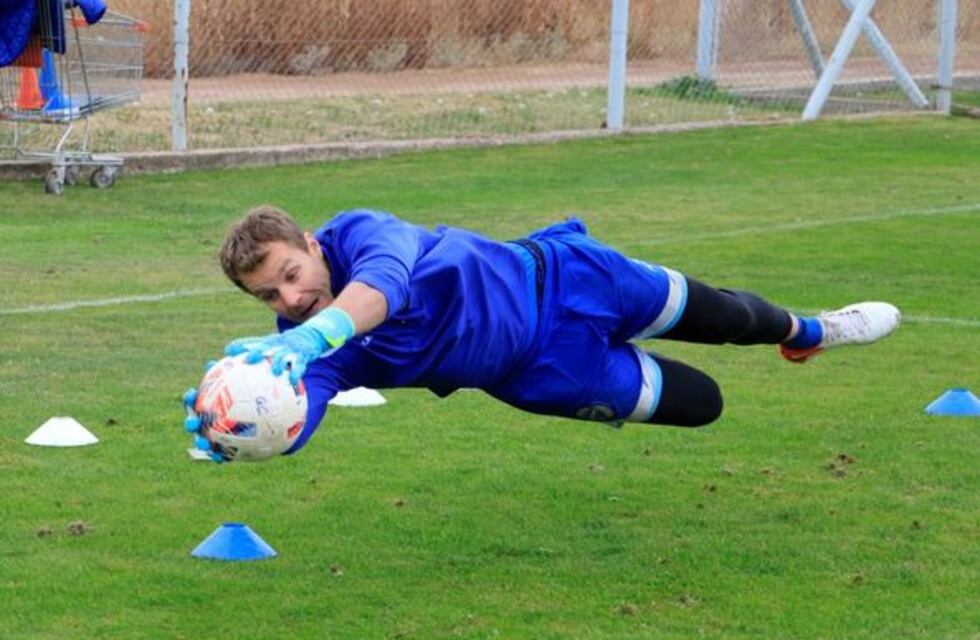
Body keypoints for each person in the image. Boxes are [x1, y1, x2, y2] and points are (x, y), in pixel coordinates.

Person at [184, 206, 900, 461]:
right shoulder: (301, 346)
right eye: (269, 294)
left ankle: (812, 329)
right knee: (703, 403)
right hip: (538, 373)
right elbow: (304, 401)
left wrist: (315, 336)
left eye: (290, 272)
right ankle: (636, 375)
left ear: (310, 244)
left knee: (732, 317)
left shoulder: (363, 234)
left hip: (568, 278)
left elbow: (387, 285)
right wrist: (246, 432)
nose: (291, 297)